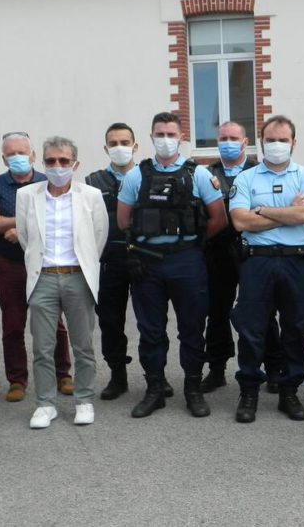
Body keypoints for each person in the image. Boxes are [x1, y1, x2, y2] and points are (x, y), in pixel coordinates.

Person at [117, 112, 227, 418]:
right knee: (150, 330)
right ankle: (155, 389)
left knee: (192, 329)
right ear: (151, 137)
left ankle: (192, 389)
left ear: (181, 138)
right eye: (159, 133)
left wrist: (190, 245)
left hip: (186, 263)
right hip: (147, 263)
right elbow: (124, 220)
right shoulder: (135, 176)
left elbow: (219, 219)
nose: (165, 139)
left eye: (170, 134)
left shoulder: (199, 175)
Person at [229, 115, 304, 423]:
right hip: (257, 261)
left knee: (296, 327)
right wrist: (288, 212)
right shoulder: (246, 178)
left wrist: (263, 210)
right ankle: (249, 392)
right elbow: (241, 221)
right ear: (261, 142)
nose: (277, 145)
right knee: (252, 328)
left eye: (283, 140)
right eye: (271, 140)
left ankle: (289, 391)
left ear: (294, 143)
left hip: (297, 261)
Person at [17, 137, 108, 427]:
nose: (58, 166)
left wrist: (80, 267)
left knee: (83, 345)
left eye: (64, 161)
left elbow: (98, 238)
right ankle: (45, 404)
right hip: (43, 277)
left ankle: (84, 400)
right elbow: (25, 238)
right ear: (43, 163)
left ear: (75, 164)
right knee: (42, 346)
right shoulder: (28, 195)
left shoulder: (91, 195)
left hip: (77, 277)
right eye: (51, 161)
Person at [0, 132, 72, 402]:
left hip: (45, 263)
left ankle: (63, 374)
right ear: (3, 158)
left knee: (54, 324)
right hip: (11, 265)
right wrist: (20, 224)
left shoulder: (48, 181)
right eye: (11, 154)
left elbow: (58, 220)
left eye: (22, 152)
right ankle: (17, 380)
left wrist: (20, 228)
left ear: (33, 156)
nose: (17, 157)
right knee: (13, 325)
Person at [201, 121, 285, 394]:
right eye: (223, 137)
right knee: (216, 312)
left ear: (245, 141)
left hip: (253, 251)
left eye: (233, 137)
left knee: (263, 313)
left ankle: (273, 369)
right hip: (216, 253)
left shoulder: (258, 171)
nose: (228, 142)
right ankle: (216, 369)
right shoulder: (205, 173)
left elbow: (272, 209)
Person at [85, 123, 138, 400]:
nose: (120, 148)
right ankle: (118, 376)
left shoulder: (147, 176)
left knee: (150, 321)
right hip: (108, 262)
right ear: (106, 149)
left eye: (125, 142)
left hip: (142, 260)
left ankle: (157, 376)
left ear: (135, 146)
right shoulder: (92, 182)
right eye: (114, 143)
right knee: (110, 321)